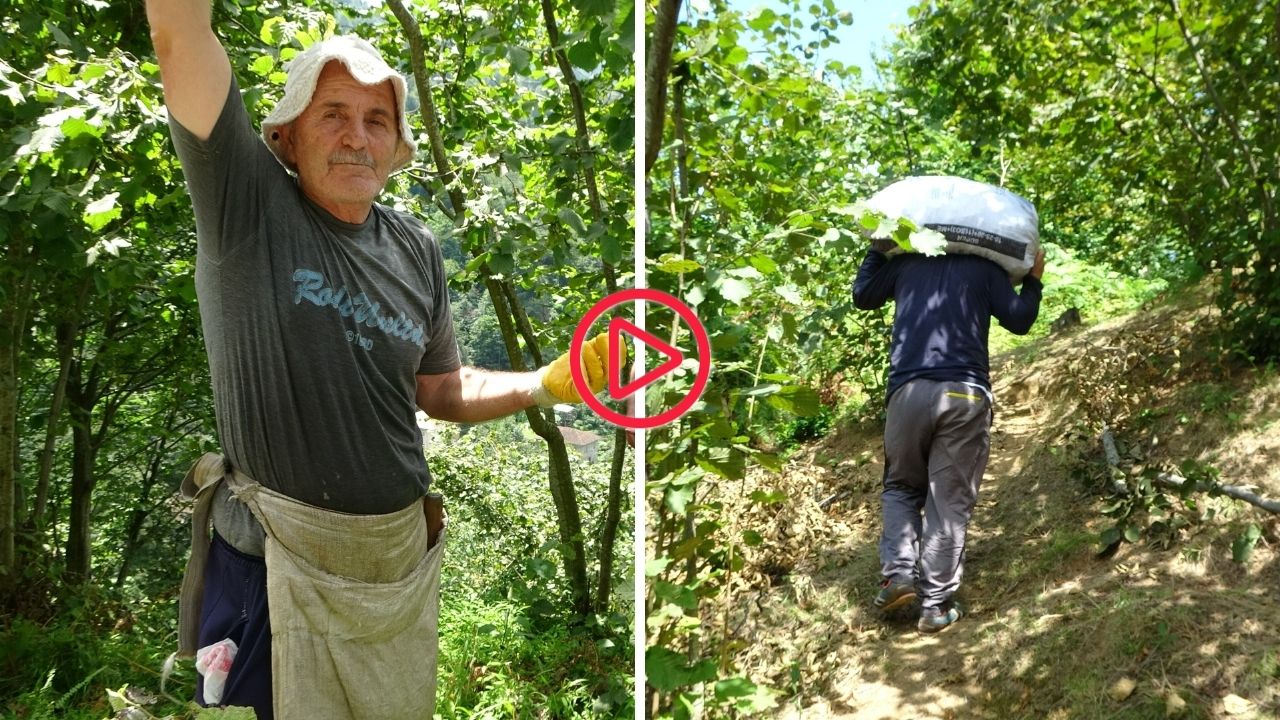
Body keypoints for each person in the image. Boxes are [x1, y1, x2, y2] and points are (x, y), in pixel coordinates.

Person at [145, 3, 613, 717]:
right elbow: (180, 36)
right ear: (285, 137)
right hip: (273, 573)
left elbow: (441, 389)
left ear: (398, 149)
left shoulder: (415, 247)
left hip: (393, 570)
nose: (356, 138)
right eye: (332, 113)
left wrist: (550, 382)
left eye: (377, 120)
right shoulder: (246, 203)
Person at [853, 239, 1045, 633]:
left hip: (907, 394)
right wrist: (1035, 281)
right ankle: (935, 605)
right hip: (964, 394)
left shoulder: (906, 263)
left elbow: (863, 296)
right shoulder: (985, 269)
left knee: (901, 487)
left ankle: (897, 577)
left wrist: (876, 250)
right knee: (949, 499)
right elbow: (1021, 320)